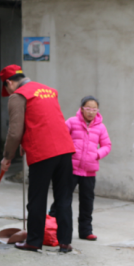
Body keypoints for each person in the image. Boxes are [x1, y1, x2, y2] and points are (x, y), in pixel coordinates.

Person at [0, 65, 77, 253]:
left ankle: (33, 241)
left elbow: (15, 131)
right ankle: (65, 242)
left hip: (43, 152)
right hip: (65, 149)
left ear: (9, 82)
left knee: (37, 199)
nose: (8, 92)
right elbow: (44, 120)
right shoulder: (49, 91)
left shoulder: (18, 95)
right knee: (64, 199)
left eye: (6, 88)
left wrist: (7, 156)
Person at [49, 96, 112, 240]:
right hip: (70, 169)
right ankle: (51, 224)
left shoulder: (100, 127)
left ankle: (85, 231)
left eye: (94, 109)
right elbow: (61, 138)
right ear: (82, 108)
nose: (91, 112)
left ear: (98, 111)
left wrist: (96, 154)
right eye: (88, 108)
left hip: (89, 171)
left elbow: (107, 145)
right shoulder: (71, 122)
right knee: (62, 199)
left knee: (87, 202)